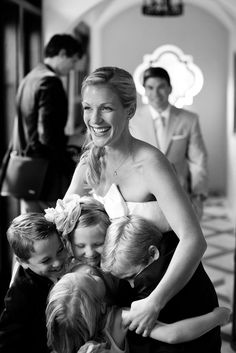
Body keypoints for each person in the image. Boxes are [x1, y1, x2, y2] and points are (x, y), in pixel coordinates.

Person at [64, 66, 207, 336]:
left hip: (169, 294)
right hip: (116, 296)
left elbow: (194, 240)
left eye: (106, 108)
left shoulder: (151, 164)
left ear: (129, 110)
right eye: (87, 107)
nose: (94, 118)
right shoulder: (88, 164)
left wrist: (155, 302)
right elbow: (63, 223)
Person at [101, 215, 227, 353]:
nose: (131, 286)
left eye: (131, 277)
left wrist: (218, 317)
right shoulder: (182, 255)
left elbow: (173, 335)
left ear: (153, 253)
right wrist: (217, 317)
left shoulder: (149, 284)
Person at [46, 265, 230, 353]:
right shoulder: (119, 318)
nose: (90, 271)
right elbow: (173, 335)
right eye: (92, 280)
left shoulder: (64, 345)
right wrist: (216, 317)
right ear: (102, 306)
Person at [11, 33, 83, 214]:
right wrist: (74, 140)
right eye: (73, 61)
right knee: (51, 226)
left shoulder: (30, 77)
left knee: (29, 229)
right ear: (62, 53)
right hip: (45, 175)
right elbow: (49, 137)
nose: (73, 67)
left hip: (25, 170)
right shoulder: (50, 82)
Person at [129, 66, 208, 219]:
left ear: (170, 88)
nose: (155, 93)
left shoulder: (189, 119)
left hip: (180, 195)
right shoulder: (131, 119)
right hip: (142, 199)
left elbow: (198, 160)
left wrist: (198, 195)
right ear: (144, 90)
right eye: (150, 88)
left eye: (161, 87)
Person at [0, 213, 70, 353]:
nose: (57, 262)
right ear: (23, 262)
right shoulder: (21, 293)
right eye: (46, 260)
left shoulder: (67, 265)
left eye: (60, 250)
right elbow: (8, 340)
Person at [44, 194, 110, 267]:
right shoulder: (68, 270)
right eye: (80, 246)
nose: (90, 253)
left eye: (98, 244)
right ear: (69, 243)